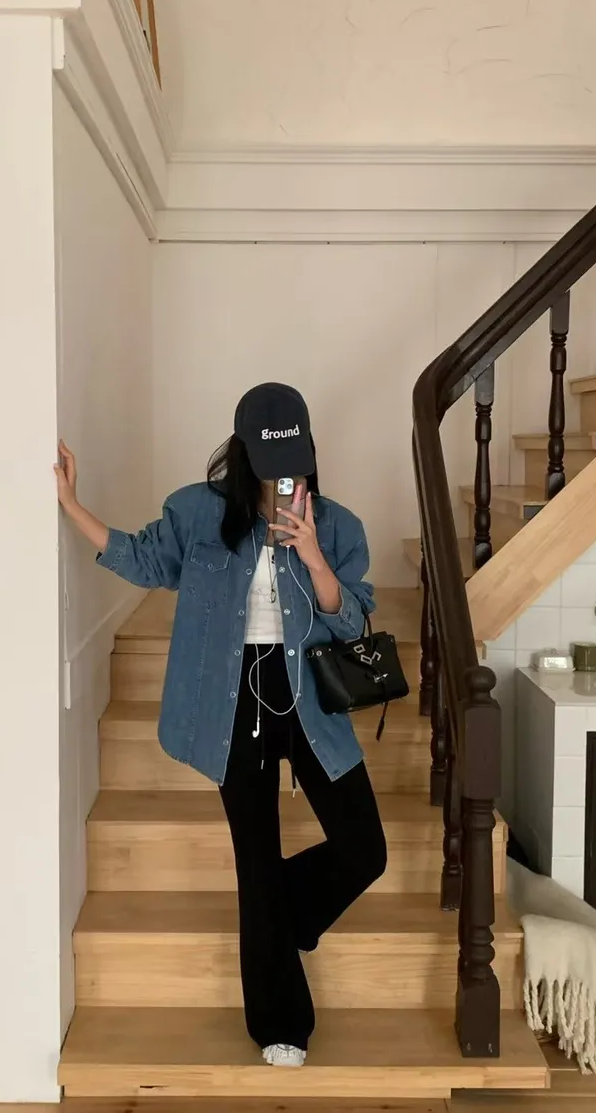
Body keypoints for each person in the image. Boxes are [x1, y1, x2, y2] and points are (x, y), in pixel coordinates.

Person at [55, 382, 387, 1068]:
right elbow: (145, 559)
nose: (285, 479)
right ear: (245, 456)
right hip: (232, 698)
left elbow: (352, 620)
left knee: (365, 850)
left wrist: (314, 554)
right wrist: (72, 505)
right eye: (271, 467)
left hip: (309, 691)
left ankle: (278, 918)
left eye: (294, 464)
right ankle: (279, 1025)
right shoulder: (198, 512)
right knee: (256, 856)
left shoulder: (338, 525)